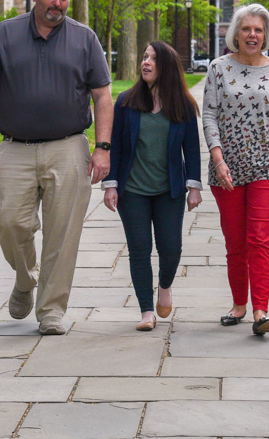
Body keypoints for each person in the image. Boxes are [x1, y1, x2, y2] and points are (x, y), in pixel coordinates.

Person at [0, 0, 113, 336]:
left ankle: (50, 310)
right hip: (14, 148)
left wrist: (102, 148)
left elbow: (102, 95)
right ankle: (25, 278)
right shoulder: (5, 33)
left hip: (68, 147)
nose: (58, 4)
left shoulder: (84, 38)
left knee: (61, 234)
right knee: (7, 219)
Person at [202, 3, 269, 336]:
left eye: (258, 29)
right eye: (246, 29)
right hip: (227, 166)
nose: (252, 35)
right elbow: (209, 114)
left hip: (267, 161)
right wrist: (218, 158)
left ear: (266, 34)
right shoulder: (218, 68)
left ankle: (261, 310)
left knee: (259, 238)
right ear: (236, 33)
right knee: (235, 240)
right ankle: (239, 304)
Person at [102, 41, 203, 331]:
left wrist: (193, 186)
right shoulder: (126, 102)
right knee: (139, 249)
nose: (146, 62)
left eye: (153, 59)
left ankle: (165, 284)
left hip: (168, 190)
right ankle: (146, 310)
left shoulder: (182, 106)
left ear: (167, 67)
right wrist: (111, 185)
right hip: (132, 190)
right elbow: (117, 148)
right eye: (145, 57)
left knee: (171, 247)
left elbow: (192, 150)